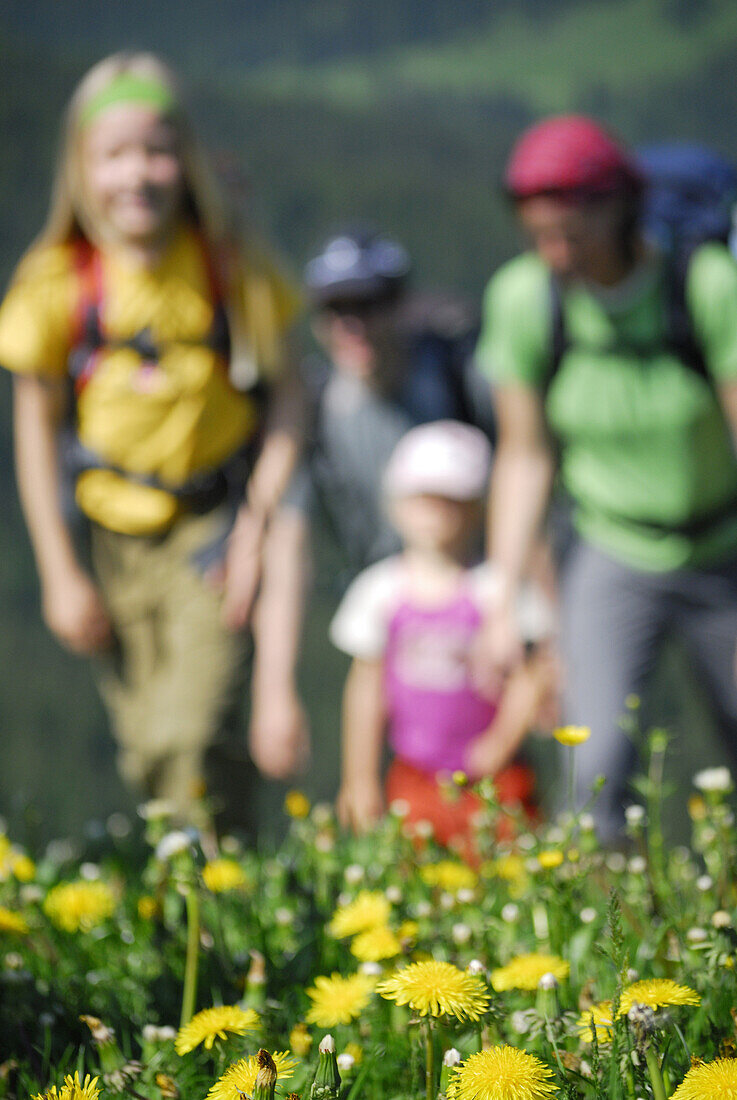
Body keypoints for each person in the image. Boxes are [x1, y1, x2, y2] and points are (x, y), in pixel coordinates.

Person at [0, 53, 305, 822]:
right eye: (113, 154)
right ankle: (216, 899)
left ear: (188, 162)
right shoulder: (55, 281)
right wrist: (59, 571)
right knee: (146, 748)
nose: (136, 174)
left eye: (157, 151)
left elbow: (291, 395)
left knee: (188, 734)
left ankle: (213, 909)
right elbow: (34, 430)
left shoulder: (230, 266)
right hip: (109, 543)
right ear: (80, 167)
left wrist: (258, 525)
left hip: (212, 529)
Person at [475, 114, 737, 840]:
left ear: (620, 209)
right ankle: (611, 933)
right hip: (610, 549)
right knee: (593, 764)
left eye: (572, 235)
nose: (556, 254)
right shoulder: (525, 300)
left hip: (723, 547)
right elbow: (524, 456)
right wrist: (500, 598)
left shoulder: (705, 286)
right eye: (539, 237)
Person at [247, 229, 497, 776]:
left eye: (369, 305)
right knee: (394, 781)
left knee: (500, 776)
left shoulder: (460, 378)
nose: (351, 324)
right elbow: (288, 550)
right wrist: (274, 692)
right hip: (388, 617)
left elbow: (526, 486)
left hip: (483, 611)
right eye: (334, 310)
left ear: (401, 304)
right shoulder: (313, 408)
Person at [329, 421, 553, 854]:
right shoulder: (379, 592)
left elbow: (531, 677)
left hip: (496, 781)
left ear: (477, 507)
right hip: (413, 777)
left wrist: (499, 745)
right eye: (423, 499)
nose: (435, 513)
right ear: (395, 504)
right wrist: (358, 779)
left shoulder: (500, 593)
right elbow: (365, 689)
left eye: (451, 501)